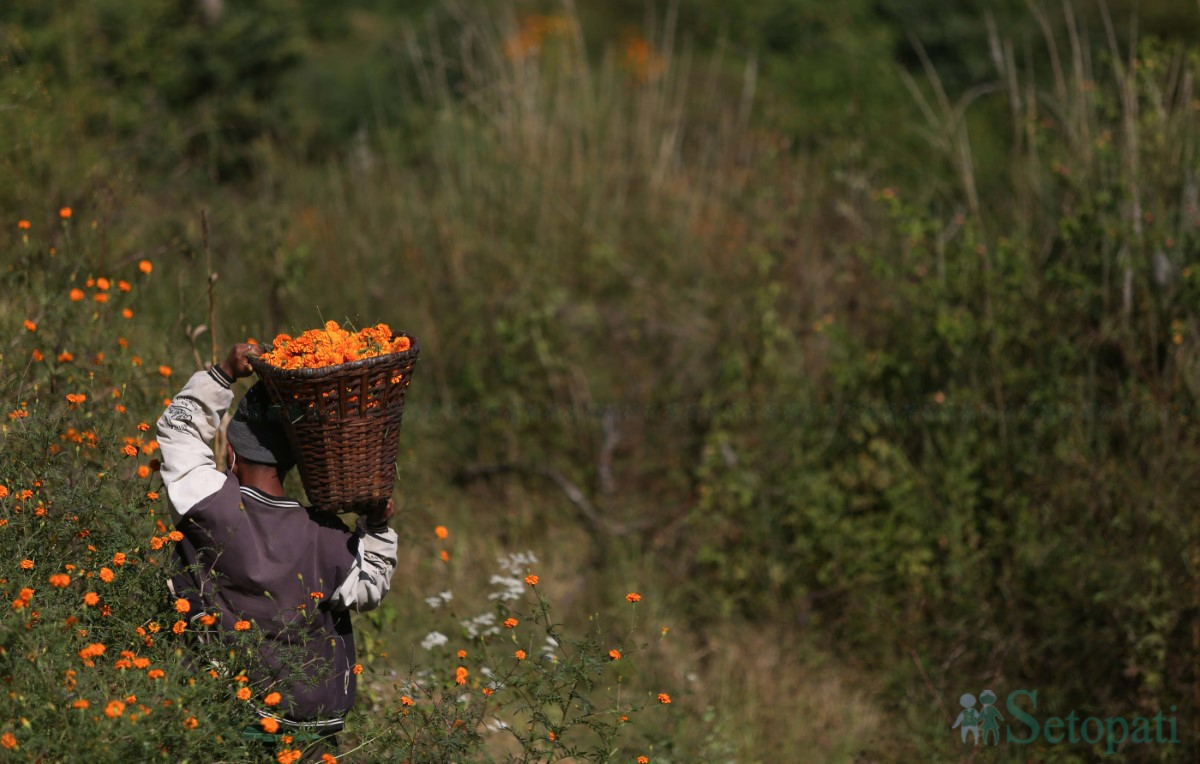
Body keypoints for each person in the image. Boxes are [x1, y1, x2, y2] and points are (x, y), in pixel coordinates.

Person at [156, 343, 398, 760]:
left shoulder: (210, 504)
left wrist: (224, 373)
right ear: (292, 464)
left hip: (227, 718)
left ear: (231, 453)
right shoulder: (327, 537)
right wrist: (375, 527)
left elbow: (177, 430)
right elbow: (370, 587)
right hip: (308, 733)